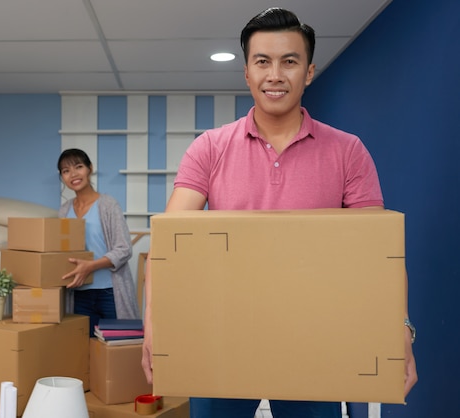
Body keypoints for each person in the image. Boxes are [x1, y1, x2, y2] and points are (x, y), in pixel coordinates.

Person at [140, 7, 418, 418]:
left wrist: (400, 330)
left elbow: (378, 255)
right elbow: (168, 250)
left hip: (314, 338)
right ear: (247, 73)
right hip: (222, 336)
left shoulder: (348, 151)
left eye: (289, 61)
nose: (275, 74)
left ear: (308, 72)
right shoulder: (209, 148)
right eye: (262, 62)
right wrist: (155, 325)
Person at [57, 148, 140, 336]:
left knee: (117, 349)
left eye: (78, 167)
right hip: (78, 294)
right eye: (66, 171)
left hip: (110, 292)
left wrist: (91, 266)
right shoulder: (63, 211)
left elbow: (124, 249)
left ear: (90, 169)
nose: (73, 174)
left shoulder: (108, 205)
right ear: (62, 177)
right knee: (83, 351)